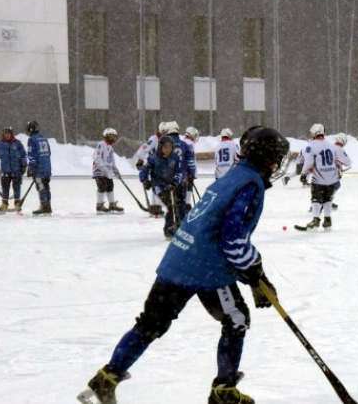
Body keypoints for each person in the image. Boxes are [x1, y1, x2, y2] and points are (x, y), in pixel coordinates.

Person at [77, 127, 289, 404]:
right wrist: (256, 272)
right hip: (205, 268)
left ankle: (106, 379)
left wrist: (253, 274)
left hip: (177, 259)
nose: (277, 164)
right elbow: (233, 239)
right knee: (236, 320)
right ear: (268, 159)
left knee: (150, 324)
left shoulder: (233, 176)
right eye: (277, 158)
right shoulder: (249, 183)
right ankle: (223, 391)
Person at [296, 124, 351, 231]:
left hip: (319, 177)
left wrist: (303, 174)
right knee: (327, 198)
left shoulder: (311, 146)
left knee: (316, 198)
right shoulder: (331, 145)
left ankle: (316, 220)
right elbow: (345, 161)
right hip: (332, 177)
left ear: (314, 133)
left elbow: (309, 162)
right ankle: (327, 220)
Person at [143, 136, 183, 239]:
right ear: (160, 147)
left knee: (177, 203)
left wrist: (176, 181)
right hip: (159, 186)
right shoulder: (153, 158)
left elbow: (179, 172)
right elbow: (144, 169)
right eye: (165, 147)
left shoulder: (175, 157)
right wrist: (145, 180)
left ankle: (177, 225)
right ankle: (168, 230)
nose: (167, 149)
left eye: (169, 147)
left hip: (170, 185)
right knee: (171, 204)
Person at [164, 122, 197, 222]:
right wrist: (191, 175)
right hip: (181, 178)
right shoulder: (184, 144)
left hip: (168, 178)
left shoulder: (164, 145)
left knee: (170, 203)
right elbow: (190, 161)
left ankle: (169, 226)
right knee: (181, 201)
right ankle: (181, 223)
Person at [135, 122, 166, 216]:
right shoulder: (154, 139)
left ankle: (155, 207)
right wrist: (141, 160)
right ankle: (155, 207)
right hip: (154, 166)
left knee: (159, 186)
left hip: (161, 167)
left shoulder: (163, 140)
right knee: (157, 186)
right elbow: (142, 150)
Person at [0, 127, 28, 214]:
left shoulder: (17, 143)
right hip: (5, 170)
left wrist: (24, 165)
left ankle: (17, 203)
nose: (7, 135)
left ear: (11, 134)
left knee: (17, 187)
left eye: (8, 133)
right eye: (5, 133)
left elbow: (23, 155)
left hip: (16, 170)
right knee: (5, 187)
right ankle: (4, 203)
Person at [93, 127, 123, 214]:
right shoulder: (101, 144)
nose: (114, 138)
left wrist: (115, 170)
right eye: (112, 136)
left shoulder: (110, 147)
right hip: (99, 171)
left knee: (110, 186)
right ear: (107, 136)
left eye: (114, 136)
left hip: (108, 171)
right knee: (102, 186)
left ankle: (112, 204)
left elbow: (112, 161)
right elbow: (96, 157)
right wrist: (102, 167)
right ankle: (99, 205)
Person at [26, 120, 53, 216]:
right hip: (47, 166)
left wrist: (31, 168)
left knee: (40, 185)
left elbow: (32, 155)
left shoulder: (32, 140)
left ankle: (43, 205)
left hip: (39, 168)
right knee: (46, 186)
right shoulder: (43, 137)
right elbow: (49, 152)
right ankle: (48, 205)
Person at [183, 126, 201, 210]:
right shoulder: (189, 144)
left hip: (181, 171)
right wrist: (192, 173)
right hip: (187, 172)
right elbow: (190, 160)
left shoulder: (183, 142)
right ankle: (186, 205)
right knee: (188, 188)